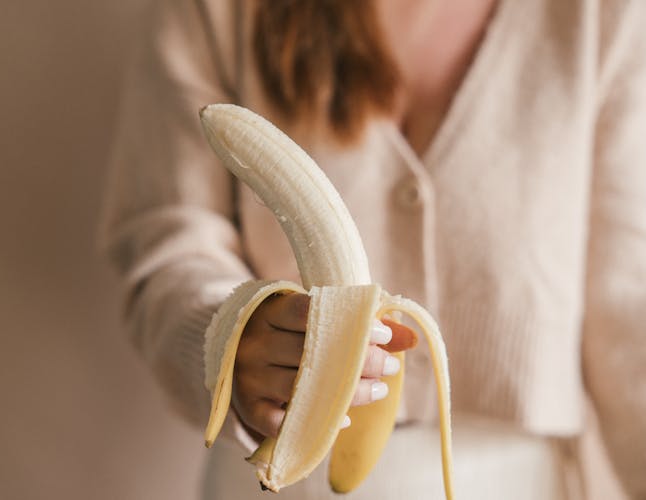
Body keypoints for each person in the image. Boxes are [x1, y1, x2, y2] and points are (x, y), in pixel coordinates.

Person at [100, 0, 646, 498]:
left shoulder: (603, 16)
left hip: (518, 481)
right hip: (283, 479)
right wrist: (230, 342)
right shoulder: (218, 11)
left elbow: (630, 309)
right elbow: (167, 239)